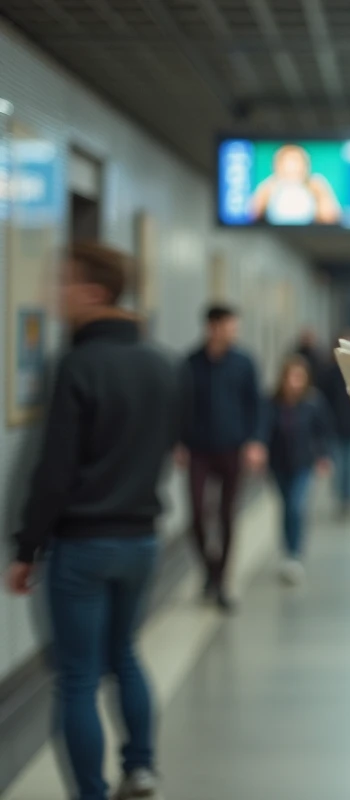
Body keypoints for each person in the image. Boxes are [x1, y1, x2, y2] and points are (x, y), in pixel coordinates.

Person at [5, 242, 181, 800]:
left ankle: (90, 793)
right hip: (142, 542)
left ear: (94, 291)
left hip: (82, 545)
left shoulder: (77, 365)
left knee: (78, 677)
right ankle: (141, 767)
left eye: (64, 283)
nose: (55, 294)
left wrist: (26, 548)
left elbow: (53, 472)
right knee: (124, 655)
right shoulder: (162, 364)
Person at [179, 304, 264, 612]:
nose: (234, 332)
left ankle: (221, 582)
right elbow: (181, 405)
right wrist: (179, 442)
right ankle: (210, 570)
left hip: (232, 448)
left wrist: (255, 441)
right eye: (229, 326)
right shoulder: (190, 363)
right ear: (212, 327)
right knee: (197, 514)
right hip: (198, 450)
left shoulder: (244, 362)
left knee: (227, 515)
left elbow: (256, 404)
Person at [257, 356, 332, 584]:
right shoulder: (272, 403)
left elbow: (323, 431)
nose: (295, 382)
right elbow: (263, 428)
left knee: (296, 507)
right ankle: (287, 550)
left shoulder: (313, 403)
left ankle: (295, 553)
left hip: (303, 464)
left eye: (300, 377)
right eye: (291, 376)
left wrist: (323, 456)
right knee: (286, 506)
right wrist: (258, 447)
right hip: (279, 464)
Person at [317, 330, 350, 518]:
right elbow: (322, 402)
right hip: (334, 428)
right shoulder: (328, 373)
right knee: (339, 466)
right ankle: (342, 498)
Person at [249, 143, 341, 226]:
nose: (293, 168)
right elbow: (251, 217)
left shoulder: (315, 184)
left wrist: (320, 194)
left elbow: (331, 218)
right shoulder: (268, 186)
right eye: (288, 163)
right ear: (278, 166)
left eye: (297, 162)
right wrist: (264, 193)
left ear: (305, 166)